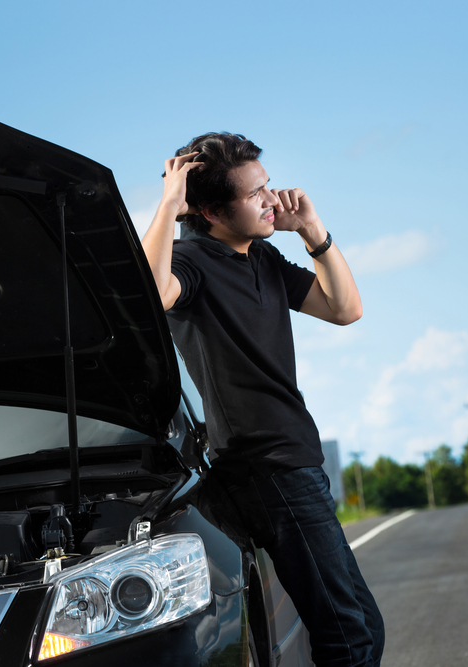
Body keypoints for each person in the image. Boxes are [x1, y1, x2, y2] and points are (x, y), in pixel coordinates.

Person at [140, 132, 384, 667]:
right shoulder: (191, 263)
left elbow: (345, 309)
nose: (272, 200)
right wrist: (166, 205)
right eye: (255, 195)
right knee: (348, 637)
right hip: (266, 469)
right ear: (209, 210)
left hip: (298, 461)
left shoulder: (264, 259)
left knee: (363, 626)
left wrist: (314, 233)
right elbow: (152, 295)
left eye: (267, 187)